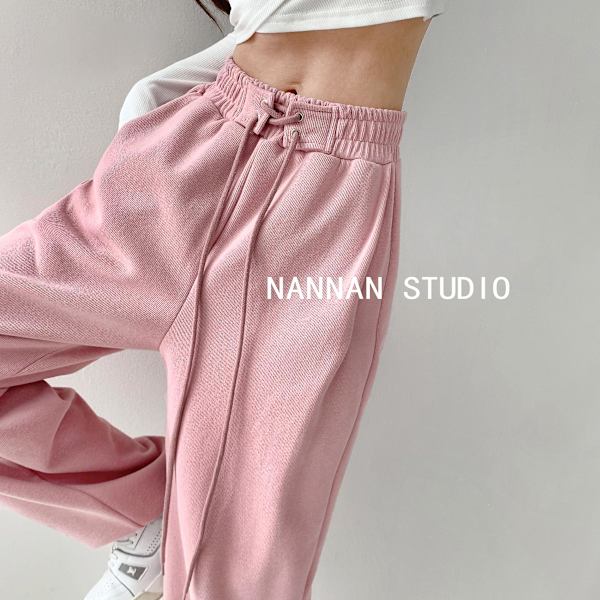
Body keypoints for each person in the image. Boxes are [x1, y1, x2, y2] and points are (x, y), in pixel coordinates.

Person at [0, 1, 447, 599]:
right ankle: (141, 512)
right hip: (188, 165)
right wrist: (152, 113)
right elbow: (267, 28)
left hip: (317, 212)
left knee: (237, 579)